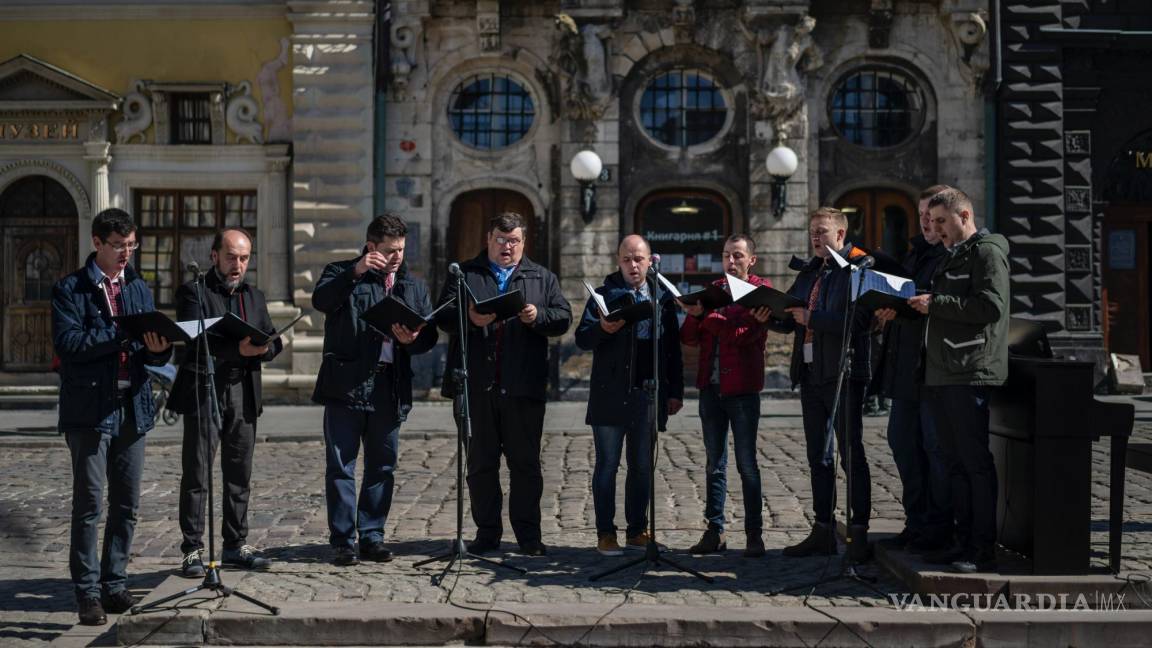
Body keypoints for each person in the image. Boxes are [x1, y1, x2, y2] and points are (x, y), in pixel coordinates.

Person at [51, 208, 172, 625]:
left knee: (128, 503)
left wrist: (159, 347)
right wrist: (119, 332)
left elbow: (151, 349)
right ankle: (87, 593)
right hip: (89, 411)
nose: (126, 254)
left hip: (132, 407)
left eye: (131, 246)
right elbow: (70, 344)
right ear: (97, 243)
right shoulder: (71, 289)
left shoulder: (138, 287)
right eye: (119, 246)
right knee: (89, 504)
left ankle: (114, 582)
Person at [434, 212, 572, 556]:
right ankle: (487, 533)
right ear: (488, 239)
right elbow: (441, 316)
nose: (506, 246)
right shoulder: (464, 274)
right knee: (481, 465)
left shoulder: (542, 278)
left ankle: (528, 536)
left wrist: (537, 316)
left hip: (523, 388)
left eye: (513, 241)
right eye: (500, 239)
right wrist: (468, 315)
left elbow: (563, 318)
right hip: (476, 387)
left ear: (524, 244)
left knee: (525, 465)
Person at [312, 214, 438, 566]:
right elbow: (321, 300)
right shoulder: (341, 273)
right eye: (389, 250)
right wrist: (355, 271)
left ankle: (371, 536)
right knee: (341, 465)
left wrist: (413, 339)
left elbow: (427, 336)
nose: (397, 256)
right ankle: (342, 540)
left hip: (389, 385)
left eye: (400, 249)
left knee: (383, 466)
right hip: (346, 384)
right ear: (371, 247)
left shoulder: (411, 287)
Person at [168, 229, 283, 577]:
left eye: (244, 258)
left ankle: (235, 544)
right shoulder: (194, 292)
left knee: (239, 474)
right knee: (198, 473)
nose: (238, 265)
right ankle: (192, 549)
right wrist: (238, 350)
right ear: (214, 256)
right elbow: (197, 338)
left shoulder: (255, 296)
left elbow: (273, 337)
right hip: (206, 390)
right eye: (231, 256)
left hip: (244, 392)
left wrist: (266, 348)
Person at [908, 187, 1010, 573]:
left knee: (974, 463)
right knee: (953, 463)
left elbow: (991, 306)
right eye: (932, 222)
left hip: (970, 369)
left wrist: (937, 304)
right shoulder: (953, 257)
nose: (936, 229)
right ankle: (960, 540)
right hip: (944, 369)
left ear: (963, 216)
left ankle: (981, 548)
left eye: (941, 222)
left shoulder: (986, 252)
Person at [771, 207, 873, 564]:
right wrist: (767, 314)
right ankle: (823, 529)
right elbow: (791, 315)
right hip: (811, 372)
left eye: (823, 231)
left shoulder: (859, 269)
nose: (816, 237)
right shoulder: (812, 271)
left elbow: (859, 321)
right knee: (819, 455)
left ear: (841, 235)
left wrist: (813, 318)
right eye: (813, 231)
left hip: (843, 372)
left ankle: (858, 532)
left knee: (850, 453)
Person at [575, 235, 683, 556]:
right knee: (607, 464)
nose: (633, 265)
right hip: (610, 393)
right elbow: (582, 338)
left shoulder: (662, 298)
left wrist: (674, 392)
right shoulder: (604, 295)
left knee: (641, 466)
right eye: (626, 259)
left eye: (639, 259)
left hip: (647, 394)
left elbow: (672, 351)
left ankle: (638, 529)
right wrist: (602, 330)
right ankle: (605, 533)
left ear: (650, 260)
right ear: (618, 261)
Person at [679, 234, 773, 558]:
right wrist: (694, 315)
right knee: (713, 464)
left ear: (751, 260)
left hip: (743, 391)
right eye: (726, 256)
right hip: (711, 389)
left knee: (747, 464)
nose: (731, 262)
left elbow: (743, 337)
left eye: (737, 256)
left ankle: (754, 533)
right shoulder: (714, 291)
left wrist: (710, 318)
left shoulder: (761, 294)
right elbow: (689, 339)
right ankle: (714, 531)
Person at [873, 185, 952, 554]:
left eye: (931, 217)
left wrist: (915, 301)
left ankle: (938, 528)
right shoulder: (916, 253)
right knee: (903, 444)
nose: (925, 223)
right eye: (921, 215)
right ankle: (916, 522)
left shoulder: (951, 255)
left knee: (934, 450)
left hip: (932, 368)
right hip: (904, 368)